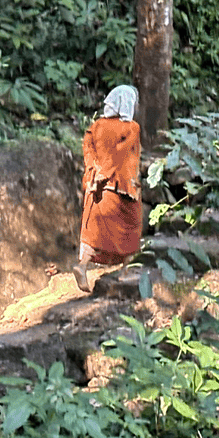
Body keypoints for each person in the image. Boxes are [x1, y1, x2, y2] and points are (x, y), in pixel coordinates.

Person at [74, 85, 143, 292]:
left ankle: (82, 266)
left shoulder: (96, 126)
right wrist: (109, 173)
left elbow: (88, 150)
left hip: (96, 188)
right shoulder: (132, 128)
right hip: (120, 187)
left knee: (92, 233)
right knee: (131, 226)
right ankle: (125, 271)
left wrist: (95, 175)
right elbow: (123, 155)